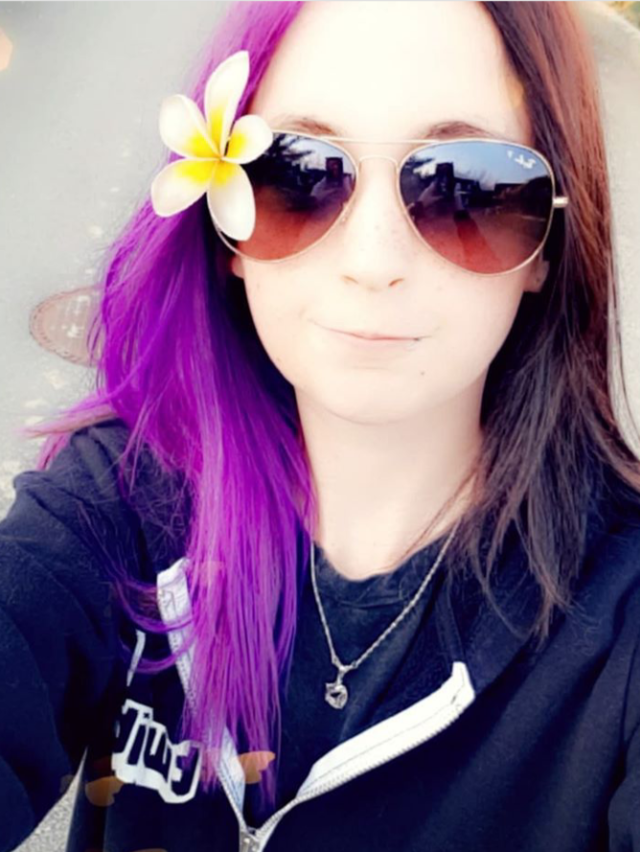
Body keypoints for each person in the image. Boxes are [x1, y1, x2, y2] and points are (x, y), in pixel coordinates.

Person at [2, 2, 640, 851]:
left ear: (547, 243)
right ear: (224, 229)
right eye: (294, 175)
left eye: (467, 188)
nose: (372, 262)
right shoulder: (115, 503)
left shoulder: (622, 624)